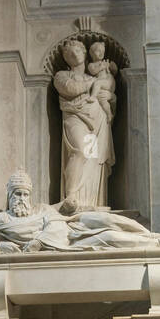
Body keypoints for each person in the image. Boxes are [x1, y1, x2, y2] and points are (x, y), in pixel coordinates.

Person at [0, 170, 160, 253]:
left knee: (107, 219)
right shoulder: (2, 219)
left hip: (72, 226)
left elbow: (55, 221)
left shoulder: (40, 208)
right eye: (17, 194)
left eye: (25, 194)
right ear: (10, 196)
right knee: (110, 237)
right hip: (67, 242)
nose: (22, 198)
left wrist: (38, 240)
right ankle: (158, 245)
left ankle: (151, 235)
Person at [52, 39, 115, 206]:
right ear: (65, 58)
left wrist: (111, 97)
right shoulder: (62, 75)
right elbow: (70, 89)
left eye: (77, 51)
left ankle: (92, 203)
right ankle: (71, 196)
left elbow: (110, 94)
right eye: (69, 53)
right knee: (80, 151)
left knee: (93, 158)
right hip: (76, 118)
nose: (74, 54)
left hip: (97, 121)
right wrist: (93, 83)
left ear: (84, 52)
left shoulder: (94, 77)